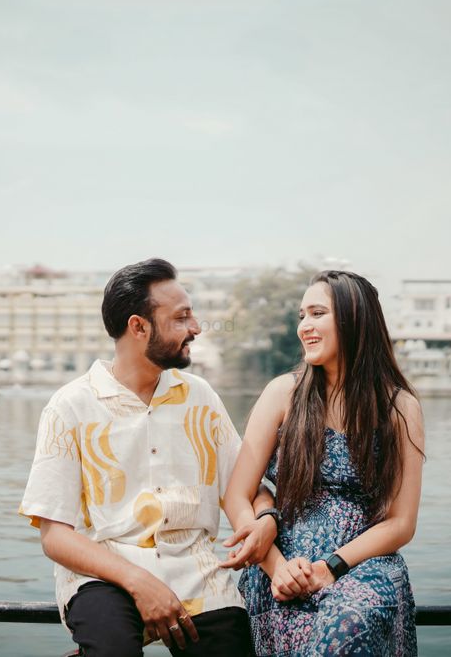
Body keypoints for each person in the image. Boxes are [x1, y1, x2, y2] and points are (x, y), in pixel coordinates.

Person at [19, 258, 271, 657]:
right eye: (181, 318)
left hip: (199, 576)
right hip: (104, 576)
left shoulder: (201, 397)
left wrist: (263, 519)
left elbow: (246, 487)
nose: (196, 328)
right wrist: (138, 581)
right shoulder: (70, 406)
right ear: (138, 327)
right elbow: (55, 536)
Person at [221, 270, 425, 656]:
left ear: (354, 319)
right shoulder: (283, 393)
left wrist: (331, 567)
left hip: (363, 563)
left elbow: (401, 522)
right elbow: (237, 495)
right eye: (302, 316)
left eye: (317, 314)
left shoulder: (399, 408)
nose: (304, 327)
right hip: (283, 564)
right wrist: (276, 566)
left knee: (351, 621)